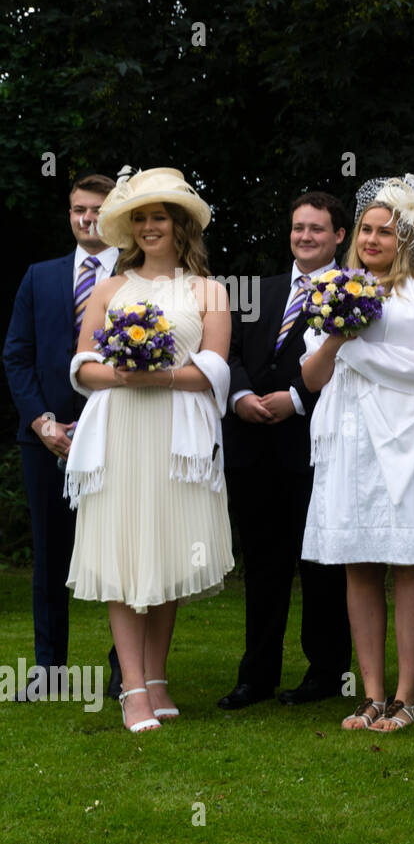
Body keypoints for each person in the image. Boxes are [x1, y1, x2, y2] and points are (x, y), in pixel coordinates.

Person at [64, 167, 235, 732]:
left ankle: (157, 677)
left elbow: (214, 369)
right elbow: (83, 365)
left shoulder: (208, 289)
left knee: (165, 554)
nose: (147, 226)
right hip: (119, 434)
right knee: (123, 554)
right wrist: (123, 374)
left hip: (177, 439)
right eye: (138, 217)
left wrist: (158, 376)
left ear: (179, 223)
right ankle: (131, 689)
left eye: (157, 216)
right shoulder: (109, 289)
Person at [300, 174, 414, 732]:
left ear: (408, 239)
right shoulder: (334, 289)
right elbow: (313, 376)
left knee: (412, 561)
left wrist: (380, 364)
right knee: (360, 560)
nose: (372, 239)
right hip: (351, 434)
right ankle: (370, 693)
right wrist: (339, 338)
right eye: (367, 229)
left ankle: (405, 696)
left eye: (386, 232)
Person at [218, 192, 352, 710]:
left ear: (339, 236)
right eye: (298, 227)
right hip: (252, 443)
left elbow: (353, 355)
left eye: (317, 229)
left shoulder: (351, 291)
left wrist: (297, 397)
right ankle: (257, 676)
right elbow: (225, 350)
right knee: (264, 564)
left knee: (321, 562)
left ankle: (325, 672)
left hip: (314, 442)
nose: (305, 236)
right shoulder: (259, 291)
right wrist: (240, 394)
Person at [5, 173, 120, 700]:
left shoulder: (136, 279)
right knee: (50, 556)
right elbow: (16, 355)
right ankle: (49, 672)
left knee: (124, 552)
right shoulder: (40, 276)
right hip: (45, 438)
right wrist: (40, 422)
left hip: (119, 434)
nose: (85, 218)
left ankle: (127, 672)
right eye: (77, 209)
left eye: (95, 209)